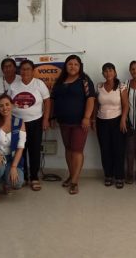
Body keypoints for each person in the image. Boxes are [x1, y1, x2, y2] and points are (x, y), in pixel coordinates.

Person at [51, 55, 95, 195]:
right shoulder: (60, 81)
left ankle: (75, 182)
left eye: (76, 64)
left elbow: (90, 99)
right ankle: (71, 175)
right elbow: (53, 100)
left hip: (79, 122)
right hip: (63, 122)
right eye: (70, 64)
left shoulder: (85, 80)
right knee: (68, 149)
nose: (73, 67)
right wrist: (52, 117)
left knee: (77, 150)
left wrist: (87, 117)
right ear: (66, 66)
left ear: (80, 66)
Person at [7, 59, 51, 191]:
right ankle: (24, 176)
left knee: (34, 150)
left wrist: (46, 119)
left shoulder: (39, 84)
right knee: (20, 149)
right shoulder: (14, 85)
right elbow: (7, 103)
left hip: (36, 122)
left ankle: (34, 177)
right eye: (23, 69)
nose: (25, 71)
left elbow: (47, 102)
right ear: (19, 71)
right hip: (17, 123)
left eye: (28, 69)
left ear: (33, 71)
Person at [94, 63, 129, 188]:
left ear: (115, 72)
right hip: (101, 121)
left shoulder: (121, 86)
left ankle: (119, 176)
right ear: (103, 73)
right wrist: (93, 121)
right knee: (105, 149)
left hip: (117, 121)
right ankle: (108, 175)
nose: (108, 73)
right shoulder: (99, 86)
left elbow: (126, 105)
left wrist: (123, 119)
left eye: (110, 70)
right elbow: (96, 105)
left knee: (118, 150)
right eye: (105, 71)